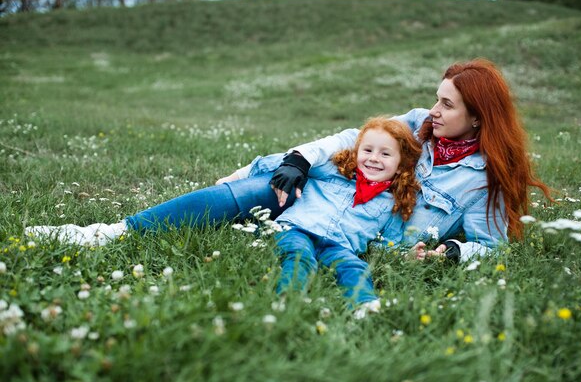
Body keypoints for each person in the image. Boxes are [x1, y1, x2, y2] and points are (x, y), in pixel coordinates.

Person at [26, 58, 551, 264]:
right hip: (335, 191)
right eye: (436, 98)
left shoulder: (484, 182)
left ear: (478, 119)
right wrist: (297, 159)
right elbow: (354, 138)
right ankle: (111, 232)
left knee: (273, 212)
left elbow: (491, 246)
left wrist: (451, 253)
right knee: (262, 188)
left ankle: (252, 212)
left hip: (359, 227)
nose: (433, 111)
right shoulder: (417, 123)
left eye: (447, 104)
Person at [250, 117, 421, 312]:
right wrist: (243, 174)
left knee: (356, 268)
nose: (374, 158)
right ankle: (287, 300)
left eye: (385, 154)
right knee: (300, 256)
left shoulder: (393, 203)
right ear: (357, 152)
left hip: (339, 246)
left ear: (400, 165)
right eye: (367, 150)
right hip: (297, 229)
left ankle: (364, 305)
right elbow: (299, 158)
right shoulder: (335, 171)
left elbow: (389, 242)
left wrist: (406, 254)